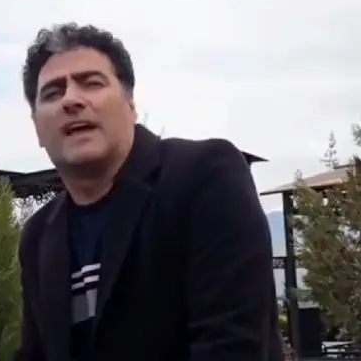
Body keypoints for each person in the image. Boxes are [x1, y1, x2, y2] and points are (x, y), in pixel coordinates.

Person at [19, 23, 284, 361]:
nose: (71, 99)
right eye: (52, 93)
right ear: (37, 129)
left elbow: (232, 344)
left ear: (130, 104)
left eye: (91, 82)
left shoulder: (205, 176)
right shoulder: (39, 236)